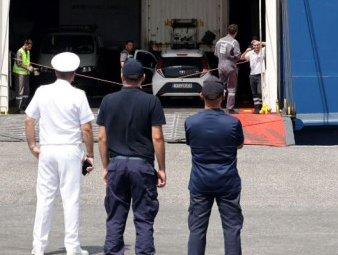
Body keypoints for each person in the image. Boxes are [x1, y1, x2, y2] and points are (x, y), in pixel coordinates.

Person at [26, 52, 96, 255]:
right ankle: (73, 247)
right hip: (70, 151)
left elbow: (29, 120)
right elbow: (87, 129)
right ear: (74, 74)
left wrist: (32, 147)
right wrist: (90, 154)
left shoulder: (42, 91)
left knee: (45, 199)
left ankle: (38, 247)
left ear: (55, 72)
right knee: (70, 199)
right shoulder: (78, 95)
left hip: (47, 150)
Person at [98, 59, 167, 255]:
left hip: (117, 164)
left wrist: (106, 166)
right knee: (144, 217)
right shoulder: (152, 101)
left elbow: (102, 138)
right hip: (142, 165)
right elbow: (157, 137)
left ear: (121, 77)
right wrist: (161, 168)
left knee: (115, 217)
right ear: (143, 79)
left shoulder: (108, 100)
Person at [184, 80, 245, 255]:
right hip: (227, 181)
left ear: (201, 96)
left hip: (200, 182)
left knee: (197, 229)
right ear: (223, 97)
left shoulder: (191, 122)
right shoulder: (233, 123)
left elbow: (191, 143)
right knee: (232, 229)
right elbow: (239, 144)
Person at [214, 24, 241, 113]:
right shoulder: (234, 42)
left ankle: (218, 105)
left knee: (221, 86)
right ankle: (230, 108)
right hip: (230, 66)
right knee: (232, 88)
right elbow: (238, 56)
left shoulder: (219, 41)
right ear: (236, 32)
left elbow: (216, 54)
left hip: (220, 66)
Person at [14, 39, 39, 111]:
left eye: (30, 47)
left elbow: (28, 62)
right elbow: (19, 64)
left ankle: (24, 106)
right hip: (19, 74)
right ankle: (19, 108)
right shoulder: (19, 52)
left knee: (26, 91)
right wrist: (28, 68)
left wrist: (32, 68)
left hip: (25, 73)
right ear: (25, 44)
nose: (30, 48)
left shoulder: (27, 52)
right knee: (20, 91)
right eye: (29, 47)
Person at [240, 40, 265, 110]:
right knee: (254, 93)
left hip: (260, 74)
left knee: (260, 92)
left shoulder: (263, 51)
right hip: (252, 75)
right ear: (252, 46)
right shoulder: (250, 53)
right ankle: (257, 108)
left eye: (257, 45)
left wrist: (259, 42)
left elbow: (268, 44)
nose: (256, 46)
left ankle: (261, 106)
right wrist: (246, 51)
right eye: (255, 45)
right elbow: (241, 58)